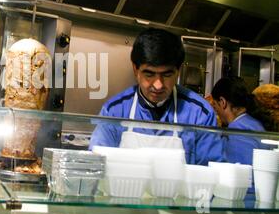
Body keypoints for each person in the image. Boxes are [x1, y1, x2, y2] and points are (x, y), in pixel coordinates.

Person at [89, 28, 224, 165]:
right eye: (149, 74)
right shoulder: (114, 111)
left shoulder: (200, 114)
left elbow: (211, 173)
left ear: (178, 71)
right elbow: (95, 165)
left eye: (167, 75)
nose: (158, 85)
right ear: (136, 70)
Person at [211, 77, 273, 165]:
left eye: (215, 106)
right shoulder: (253, 123)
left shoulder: (236, 131)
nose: (216, 111)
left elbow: (241, 174)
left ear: (222, 102)